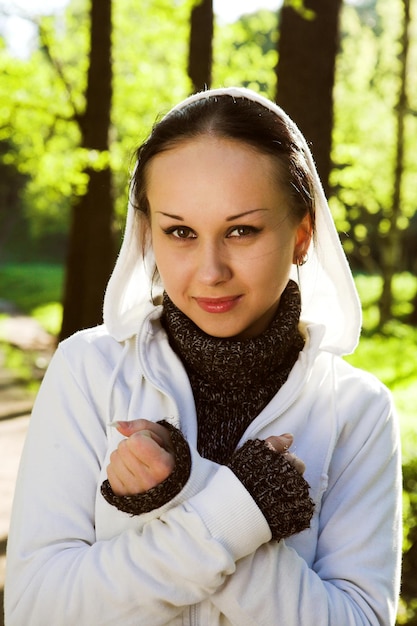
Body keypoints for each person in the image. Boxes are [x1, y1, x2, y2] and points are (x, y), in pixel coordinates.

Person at [5, 87, 402, 626]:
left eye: (241, 230)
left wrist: (180, 496)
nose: (211, 271)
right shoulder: (88, 372)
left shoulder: (357, 411)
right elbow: (37, 610)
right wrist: (235, 509)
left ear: (302, 235)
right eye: (181, 232)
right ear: (149, 234)